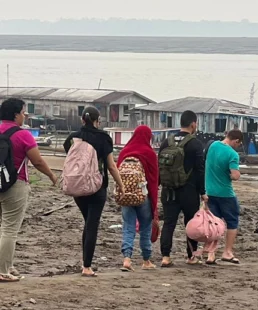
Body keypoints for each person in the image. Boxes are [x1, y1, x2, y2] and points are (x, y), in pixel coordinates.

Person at [0, 99, 58, 282]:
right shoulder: (22, 135)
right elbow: (37, 161)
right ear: (16, 114)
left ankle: (7, 263)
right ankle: (3, 270)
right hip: (15, 183)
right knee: (9, 228)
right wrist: (51, 176)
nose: (24, 116)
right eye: (23, 112)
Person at [63, 107, 124, 277]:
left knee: (88, 222)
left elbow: (70, 155)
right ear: (98, 121)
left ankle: (86, 263)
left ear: (82, 120)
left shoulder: (72, 137)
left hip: (77, 185)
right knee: (92, 224)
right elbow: (111, 166)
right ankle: (87, 266)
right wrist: (120, 185)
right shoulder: (103, 138)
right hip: (97, 187)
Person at [159, 111, 206, 267]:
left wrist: (160, 184)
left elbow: (161, 166)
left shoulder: (167, 142)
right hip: (189, 191)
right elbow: (200, 170)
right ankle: (191, 256)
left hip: (169, 190)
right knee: (191, 224)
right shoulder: (196, 144)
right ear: (193, 124)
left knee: (168, 223)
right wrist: (203, 192)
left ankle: (165, 257)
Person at [117, 125, 159, 272]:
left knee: (128, 226)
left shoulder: (124, 152)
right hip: (143, 196)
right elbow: (154, 180)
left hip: (126, 195)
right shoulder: (149, 153)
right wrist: (154, 202)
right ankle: (146, 260)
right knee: (145, 227)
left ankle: (127, 259)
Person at [204, 129, 243, 264]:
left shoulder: (212, 145)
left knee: (214, 223)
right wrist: (234, 174)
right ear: (236, 140)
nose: (237, 146)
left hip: (209, 191)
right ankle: (227, 252)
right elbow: (235, 175)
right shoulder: (232, 154)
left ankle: (211, 253)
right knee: (232, 222)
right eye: (238, 144)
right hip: (225, 193)